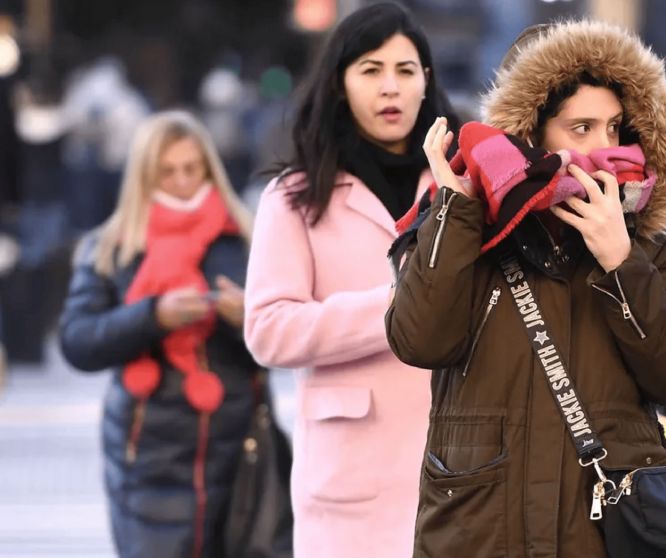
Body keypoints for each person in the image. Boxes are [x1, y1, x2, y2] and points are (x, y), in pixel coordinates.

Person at [386, 20, 666, 557]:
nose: (604, 149)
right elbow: (419, 340)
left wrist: (621, 263)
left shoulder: (644, 243)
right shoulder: (467, 226)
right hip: (484, 531)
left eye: (616, 129)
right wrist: (458, 211)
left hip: (601, 534)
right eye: (581, 128)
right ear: (530, 134)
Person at [242, 3, 460, 557]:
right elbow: (268, 330)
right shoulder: (293, 197)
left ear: (426, 82)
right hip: (350, 482)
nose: (391, 87)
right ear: (340, 83)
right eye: (370, 70)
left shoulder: (461, 186)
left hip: (462, 467)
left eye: (405, 71)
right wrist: (395, 308)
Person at [58, 111, 283, 558]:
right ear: (144, 175)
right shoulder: (111, 247)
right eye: (167, 171)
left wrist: (247, 318)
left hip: (240, 448)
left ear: (209, 169)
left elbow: (287, 342)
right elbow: (78, 341)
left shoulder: (247, 238)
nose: (181, 181)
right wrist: (151, 316)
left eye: (191, 169)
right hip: (147, 456)